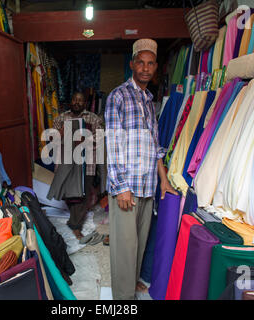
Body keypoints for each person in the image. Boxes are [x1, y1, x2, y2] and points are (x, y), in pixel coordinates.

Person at [105, 38, 178, 300]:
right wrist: (121, 188)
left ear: (155, 67)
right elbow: (113, 144)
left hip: (147, 186)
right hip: (127, 187)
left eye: (150, 64)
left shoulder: (149, 99)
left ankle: (131, 283)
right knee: (124, 248)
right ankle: (122, 299)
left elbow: (155, 145)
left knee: (138, 243)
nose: (145, 68)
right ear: (132, 64)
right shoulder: (118, 96)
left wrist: (164, 180)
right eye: (141, 63)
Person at [52, 92, 105, 242]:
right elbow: (53, 139)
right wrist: (61, 133)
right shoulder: (61, 118)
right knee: (70, 193)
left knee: (83, 194)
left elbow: (100, 137)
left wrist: (86, 138)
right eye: (75, 99)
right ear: (71, 101)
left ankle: (75, 224)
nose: (77, 102)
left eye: (80, 100)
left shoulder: (93, 118)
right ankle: (74, 217)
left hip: (86, 163)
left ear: (85, 103)